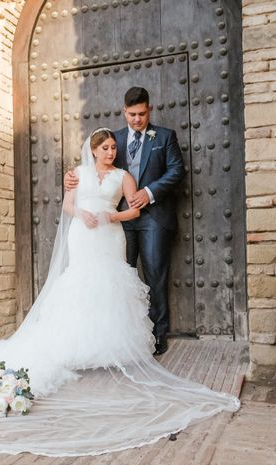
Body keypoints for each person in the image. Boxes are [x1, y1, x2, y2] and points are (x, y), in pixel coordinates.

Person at [0, 129, 239, 457]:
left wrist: (111, 215)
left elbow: (134, 211)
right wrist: (82, 213)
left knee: (111, 285)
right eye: (105, 148)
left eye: (113, 148)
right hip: (84, 236)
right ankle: (79, 346)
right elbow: (67, 205)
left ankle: (110, 348)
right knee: (81, 284)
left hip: (111, 234)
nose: (111, 151)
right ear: (93, 150)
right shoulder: (76, 174)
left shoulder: (123, 177)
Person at [65, 87, 184, 356]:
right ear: (124, 112)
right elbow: (92, 168)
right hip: (116, 223)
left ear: (149, 110)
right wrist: (70, 179)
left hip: (152, 216)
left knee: (154, 274)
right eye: (132, 115)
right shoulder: (112, 140)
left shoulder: (164, 137)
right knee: (119, 277)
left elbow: (177, 169)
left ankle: (156, 335)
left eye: (142, 114)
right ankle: (119, 336)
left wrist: (149, 192)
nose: (137, 120)